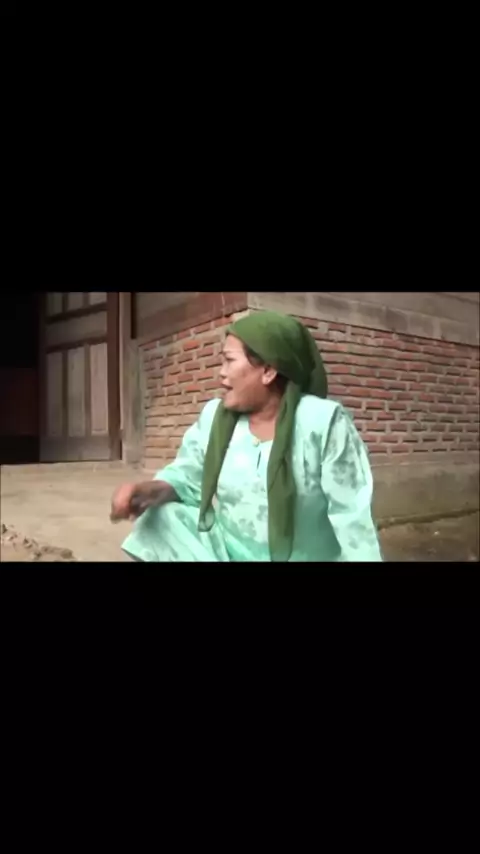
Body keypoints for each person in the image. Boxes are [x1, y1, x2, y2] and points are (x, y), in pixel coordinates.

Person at [111, 311, 383, 562]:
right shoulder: (216, 418)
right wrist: (147, 491)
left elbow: (352, 515)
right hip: (230, 555)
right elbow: (188, 476)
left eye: (229, 360)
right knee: (161, 520)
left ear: (268, 371)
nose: (221, 372)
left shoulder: (323, 422)